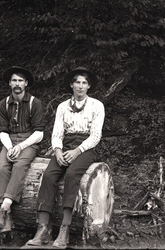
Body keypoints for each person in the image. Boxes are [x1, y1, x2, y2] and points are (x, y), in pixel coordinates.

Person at [26, 67, 105, 248]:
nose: (80, 86)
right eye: (77, 82)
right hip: (65, 146)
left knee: (71, 175)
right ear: (71, 85)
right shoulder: (62, 107)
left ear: (89, 86)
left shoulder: (97, 105)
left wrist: (77, 151)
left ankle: (65, 229)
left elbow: (95, 136)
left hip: (86, 147)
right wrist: (58, 151)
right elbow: (57, 134)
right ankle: (43, 229)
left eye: (84, 83)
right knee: (49, 175)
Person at [0, 66, 45, 233]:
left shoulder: (34, 103)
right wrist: (9, 148)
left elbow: (39, 133)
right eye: (14, 80)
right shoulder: (3, 104)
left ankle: (3, 208)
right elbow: (2, 131)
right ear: (9, 83)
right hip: (10, 140)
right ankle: (6, 218)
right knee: (1, 168)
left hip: (29, 141)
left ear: (26, 83)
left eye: (20, 80)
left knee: (20, 165)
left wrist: (21, 146)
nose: (17, 83)